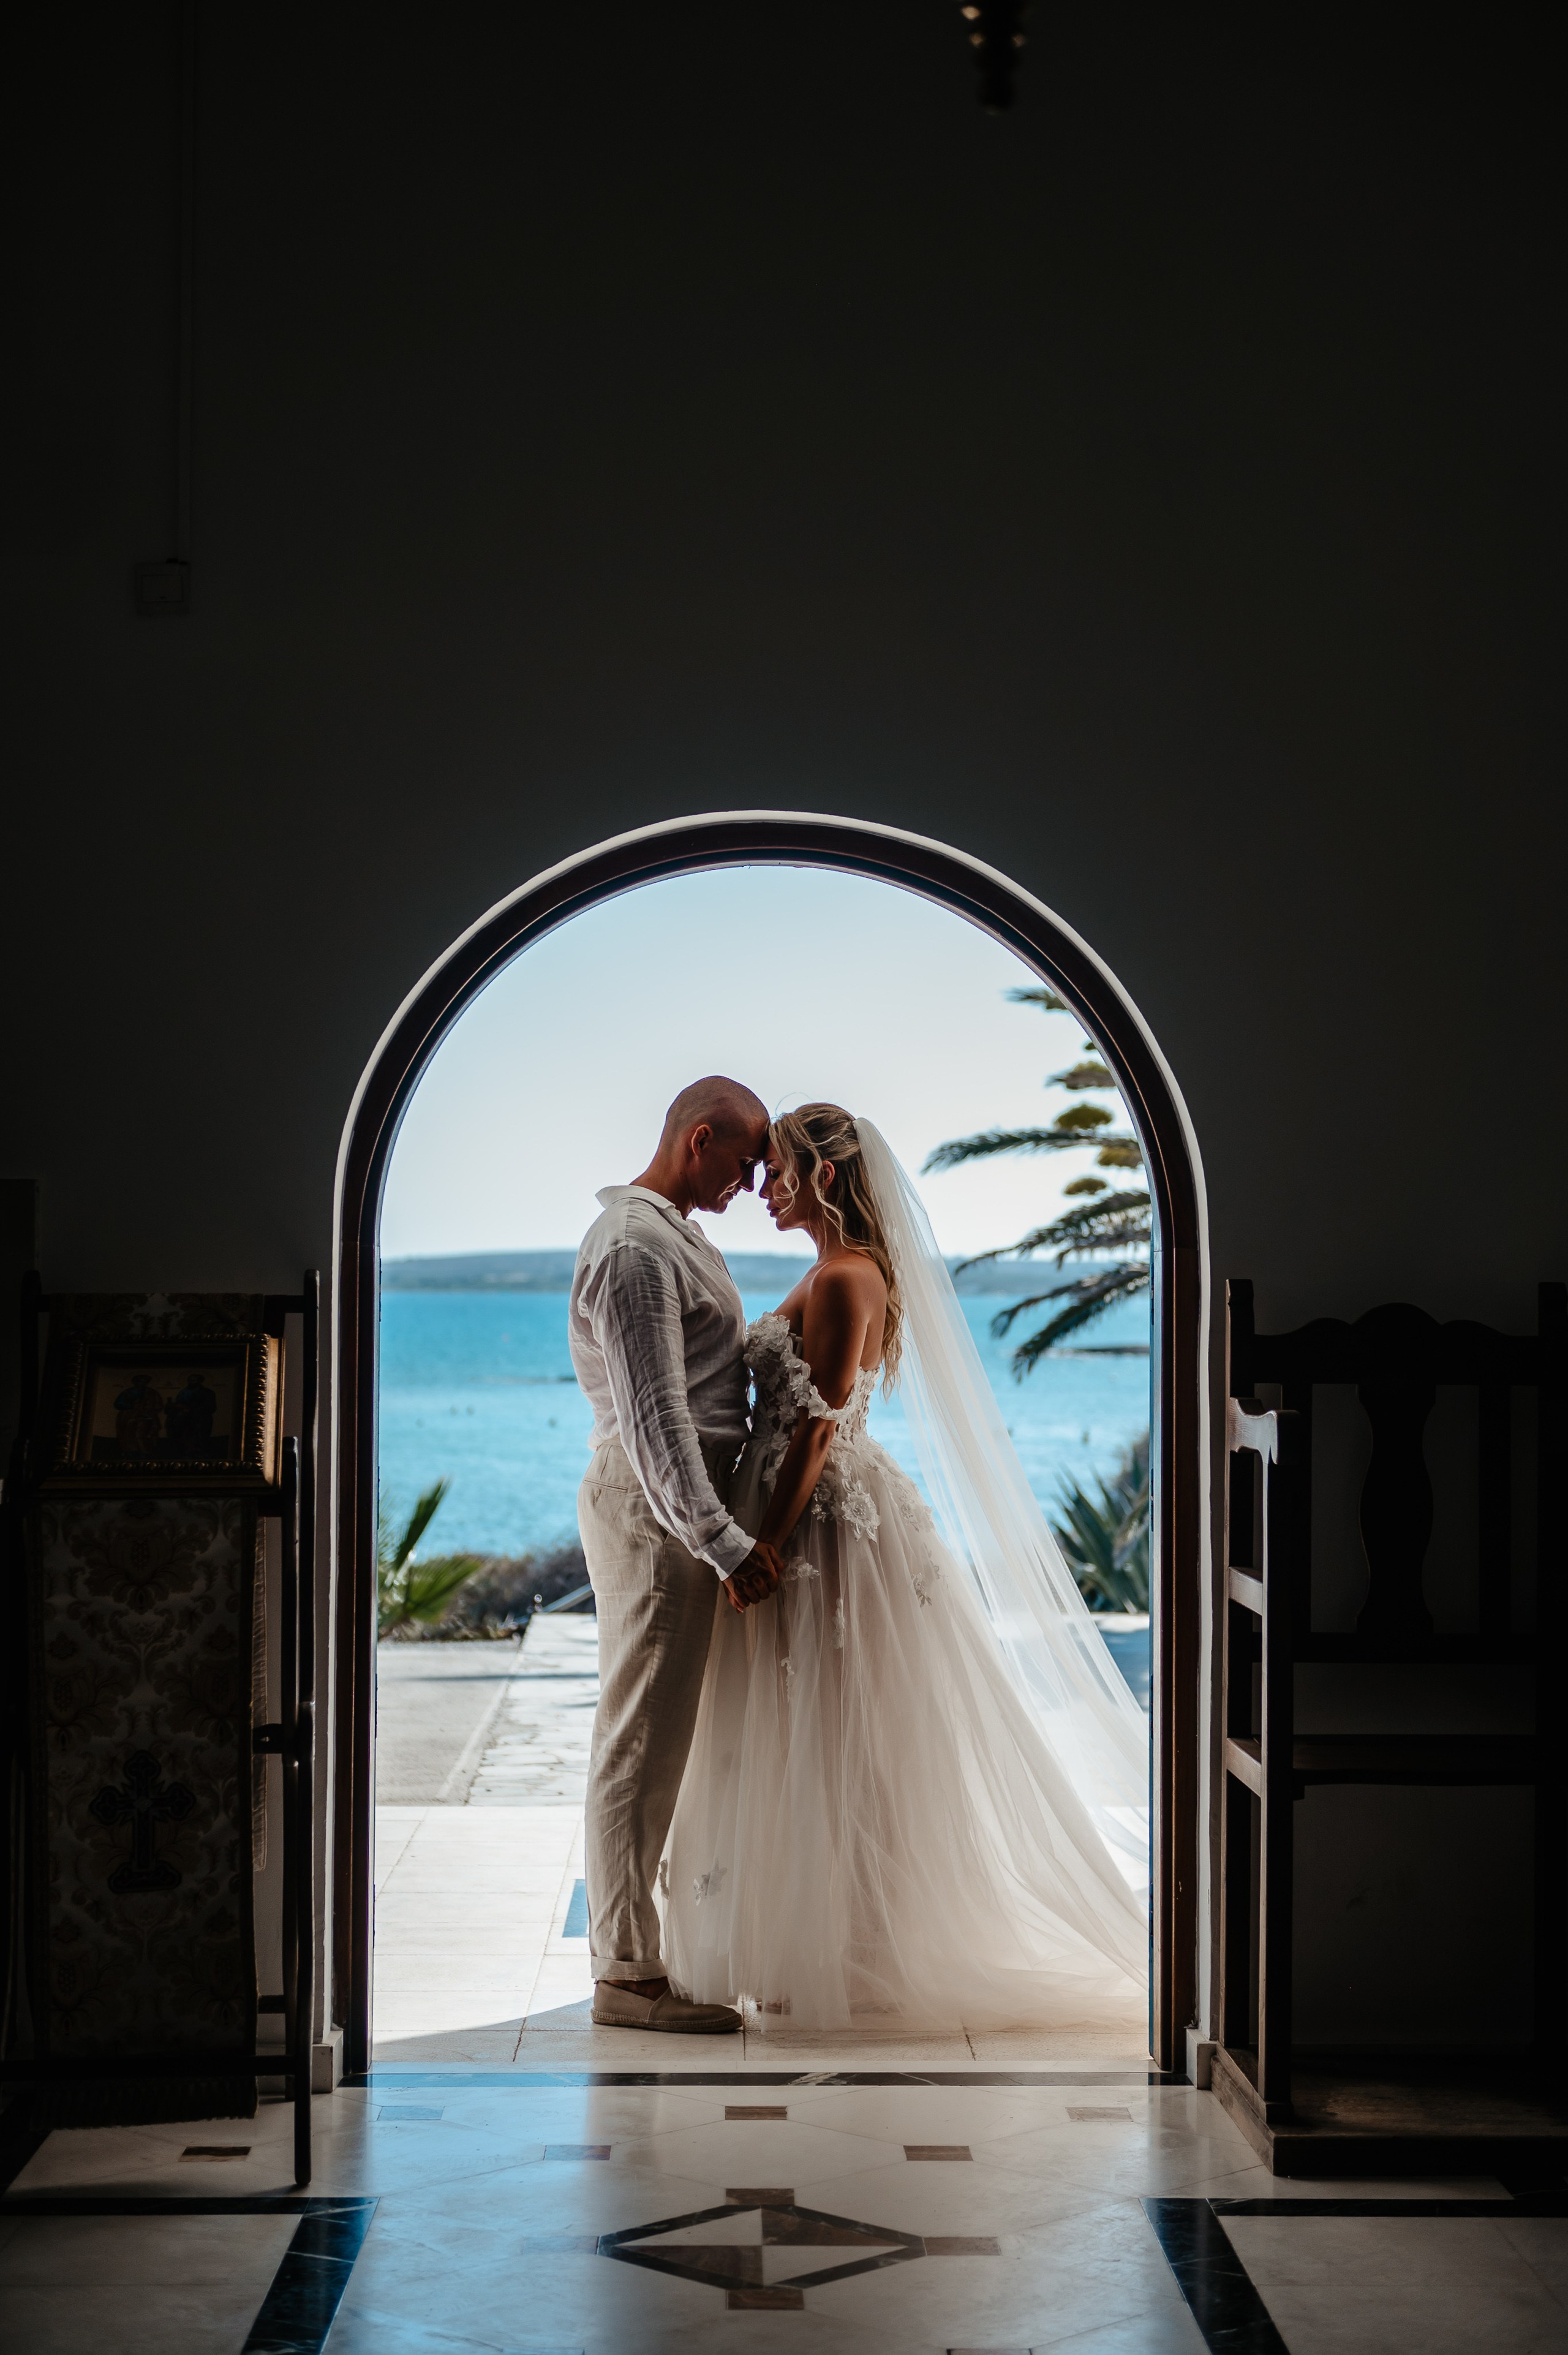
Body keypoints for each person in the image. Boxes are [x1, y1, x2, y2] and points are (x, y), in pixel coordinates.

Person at [662, 1103, 1150, 2034]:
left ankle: (853, 1950)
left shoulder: (848, 1277)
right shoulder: (832, 1269)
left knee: (833, 1727)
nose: (765, 1189)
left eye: (780, 1172)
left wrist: (767, 1543)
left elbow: (819, 1427)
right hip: (794, 1504)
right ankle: (806, 1940)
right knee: (798, 1727)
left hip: (818, 1522)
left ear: (825, 1176)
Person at [568, 1076, 783, 2033]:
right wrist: (724, 1542)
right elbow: (658, 1420)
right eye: (746, 1161)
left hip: (673, 1504)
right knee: (640, 1740)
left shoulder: (674, 1236)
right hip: (656, 1510)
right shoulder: (635, 1249)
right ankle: (625, 1975)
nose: (753, 1182)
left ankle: (650, 1950)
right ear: (700, 1139)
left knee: (662, 1738)